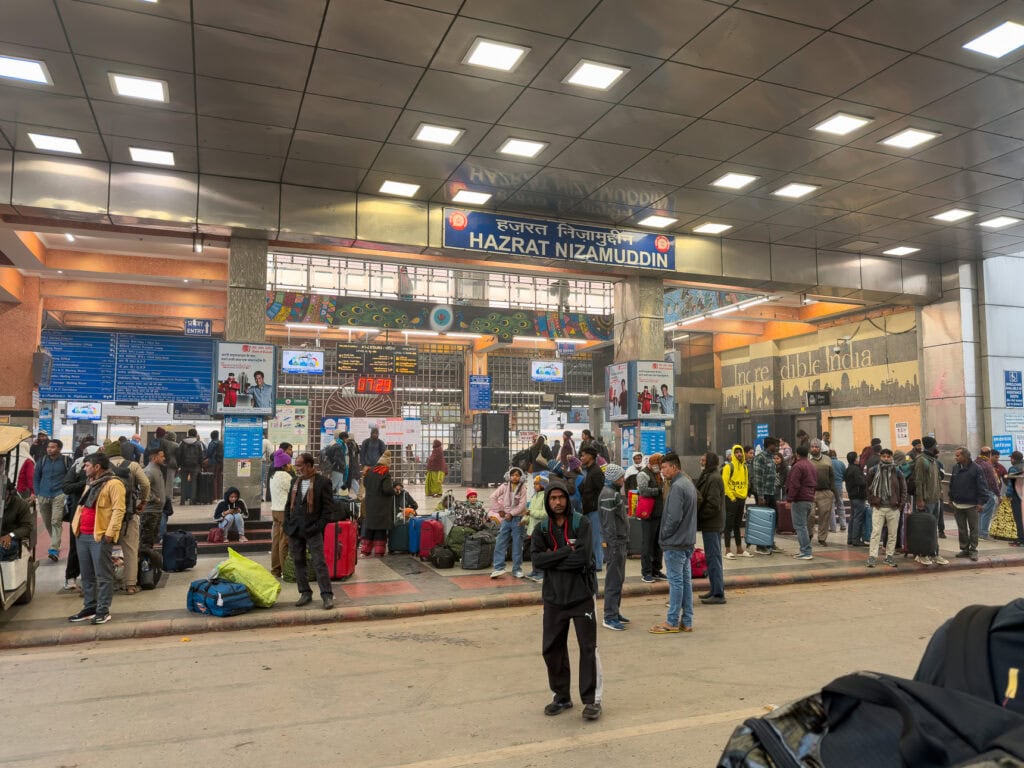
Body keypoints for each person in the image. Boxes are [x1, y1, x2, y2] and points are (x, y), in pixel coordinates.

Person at [530, 478, 601, 721]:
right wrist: (563, 552)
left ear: (567, 499)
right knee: (552, 649)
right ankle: (562, 696)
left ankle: (591, 701)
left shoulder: (582, 523)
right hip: (553, 599)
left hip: (581, 597)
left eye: (561, 498)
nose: (557, 502)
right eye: (553, 498)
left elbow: (583, 558)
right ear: (547, 501)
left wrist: (553, 558)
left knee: (587, 649)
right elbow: (537, 561)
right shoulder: (541, 529)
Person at [68, 452, 126, 625]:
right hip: (82, 534)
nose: (84, 468)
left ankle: (103, 610)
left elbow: (118, 509)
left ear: (97, 467)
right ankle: (90, 607)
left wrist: (110, 532)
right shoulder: (91, 483)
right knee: (87, 575)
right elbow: (83, 506)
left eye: (87, 465)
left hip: (99, 536)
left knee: (103, 575)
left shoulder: (114, 484)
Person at [650, 452, 697, 634]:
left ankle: (672, 621)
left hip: (675, 542)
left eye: (664, 467)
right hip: (686, 541)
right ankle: (687, 620)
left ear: (674, 467)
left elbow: (674, 517)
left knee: (676, 583)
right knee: (685, 582)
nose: (662, 471)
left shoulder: (677, 486)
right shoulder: (687, 483)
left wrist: (664, 535)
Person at [284, 452, 336, 609]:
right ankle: (305, 592)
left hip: (313, 529)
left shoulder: (323, 482)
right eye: (296, 464)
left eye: (299, 465)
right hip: (295, 528)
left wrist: (318, 527)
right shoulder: (295, 481)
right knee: (298, 561)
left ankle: (327, 595)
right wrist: (287, 524)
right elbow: (288, 505)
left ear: (309, 465)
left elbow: (328, 510)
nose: (297, 468)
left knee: (319, 562)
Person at [108, 442, 150, 595]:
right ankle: (130, 585)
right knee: (130, 548)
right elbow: (145, 484)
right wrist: (143, 502)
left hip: (105, 516)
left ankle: (103, 583)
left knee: (102, 549)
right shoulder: (132, 465)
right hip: (128, 512)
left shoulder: (101, 465)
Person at [597, 464, 629, 631]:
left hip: (619, 542)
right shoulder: (608, 495)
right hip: (614, 543)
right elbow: (609, 524)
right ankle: (609, 616)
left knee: (619, 579)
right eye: (620, 477)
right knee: (613, 580)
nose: (623, 480)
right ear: (612, 478)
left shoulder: (613, 493)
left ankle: (615, 612)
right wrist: (613, 544)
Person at [865, 448, 907, 568]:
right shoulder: (873, 471)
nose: (886, 458)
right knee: (875, 533)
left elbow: (904, 489)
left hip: (893, 508)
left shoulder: (897, 471)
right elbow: (868, 487)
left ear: (892, 457)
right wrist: (872, 501)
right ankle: (872, 557)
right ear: (880, 457)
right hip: (878, 507)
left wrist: (900, 505)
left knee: (892, 534)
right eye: (884, 456)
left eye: (888, 456)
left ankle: (889, 557)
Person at [33, 438, 71, 563]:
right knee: (47, 521)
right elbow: (36, 477)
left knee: (56, 521)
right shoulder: (42, 461)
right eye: (49, 447)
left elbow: (71, 477)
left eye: (53, 447)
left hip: (59, 494)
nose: (50, 449)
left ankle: (54, 548)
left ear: (59, 448)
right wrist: (37, 492)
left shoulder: (66, 461)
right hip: (43, 494)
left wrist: (66, 493)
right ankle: (55, 542)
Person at [695, 451, 726, 605]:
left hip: (712, 524)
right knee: (712, 558)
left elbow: (713, 504)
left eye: (703, 459)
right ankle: (714, 589)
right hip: (709, 524)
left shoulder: (714, 478)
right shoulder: (708, 475)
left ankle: (718, 593)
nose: (701, 461)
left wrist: (700, 516)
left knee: (714, 559)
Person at [913, 436, 949, 564]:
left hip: (935, 499)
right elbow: (919, 482)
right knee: (925, 528)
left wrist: (940, 492)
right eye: (936, 445)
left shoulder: (933, 460)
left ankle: (934, 553)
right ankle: (922, 554)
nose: (937, 447)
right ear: (931, 446)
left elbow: (937, 478)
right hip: (926, 500)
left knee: (933, 528)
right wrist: (920, 499)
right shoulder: (922, 461)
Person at [949, 447, 989, 562]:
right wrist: (951, 499)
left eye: (958, 455)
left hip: (972, 505)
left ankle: (973, 550)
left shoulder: (976, 469)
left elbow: (982, 486)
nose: (955, 457)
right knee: (961, 529)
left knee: (973, 529)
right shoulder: (955, 468)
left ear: (965, 456)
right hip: (958, 505)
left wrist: (981, 502)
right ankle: (964, 549)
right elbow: (952, 484)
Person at [489, 466, 529, 579]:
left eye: (517, 475)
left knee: (517, 544)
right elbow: (493, 497)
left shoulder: (523, 488)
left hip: (517, 519)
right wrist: (500, 510)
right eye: (513, 475)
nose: (515, 477)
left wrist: (512, 513)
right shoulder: (505, 486)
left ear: (521, 477)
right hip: (506, 519)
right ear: (509, 476)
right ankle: (498, 568)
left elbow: (522, 505)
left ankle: (517, 569)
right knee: (500, 542)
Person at [360, 450, 397, 557]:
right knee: (380, 528)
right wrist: (394, 491)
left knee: (370, 527)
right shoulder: (385, 473)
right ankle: (379, 551)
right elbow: (387, 489)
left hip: (370, 504)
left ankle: (365, 551)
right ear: (387, 464)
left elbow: (365, 484)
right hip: (381, 506)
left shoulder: (370, 471)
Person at [636, 453, 665, 582]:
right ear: (652, 463)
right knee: (647, 545)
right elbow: (643, 491)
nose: (659, 467)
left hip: (659, 514)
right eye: (658, 464)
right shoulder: (643, 474)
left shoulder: (659, 474)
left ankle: (656, 570)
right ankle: (646, 572)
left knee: (658, 545)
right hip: (648, 515)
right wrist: (658, 490)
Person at [786, 444, 817, 560]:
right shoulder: (811, 465)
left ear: (797, 454)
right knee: (803, 526)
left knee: (800, 526)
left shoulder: (798, 466)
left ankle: (806, 551)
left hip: (800, 499)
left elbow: (794, 484)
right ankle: (804, 550)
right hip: (810, 499)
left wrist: (789, 499)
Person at [578, 446, 605, 572]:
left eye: (583, 455)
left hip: (594, 510)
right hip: (588, 509)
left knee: (596, 538)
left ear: (590, 456)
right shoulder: (588, 470)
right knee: (591, 538)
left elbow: (601, 492)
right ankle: (594, 561)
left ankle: (598, 564)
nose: (581, 458)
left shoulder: (596, 472)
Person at [721, 444, 750, 559]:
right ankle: (727, 550)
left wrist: (744, 495)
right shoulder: (728, 467)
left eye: (740, 452)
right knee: (728, 525)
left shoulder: (744, 467)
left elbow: (746, 481)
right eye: (736, 452)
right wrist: (732, 497)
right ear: (733, 454)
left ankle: (739, 549)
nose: (739, 454)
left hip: (741, 499)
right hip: (731, 499)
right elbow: (725, 483)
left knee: (737, 525)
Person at [269, 451, 295, 577]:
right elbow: (293, 492)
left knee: (276, 541)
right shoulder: (286, 476)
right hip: (284, 511)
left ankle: (275, 570)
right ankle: (286, 571)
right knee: (284, 541)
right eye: (289, 463)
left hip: (275, 510)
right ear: (284, 464)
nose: (291, 465)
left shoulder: (273, 475)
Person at [808, 439, 835, 546]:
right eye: (812, 447)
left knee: (825, 516)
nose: (814, 448)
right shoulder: (807, 460)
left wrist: (832, 491)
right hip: (810, 492)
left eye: (816, 447)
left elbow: (832, 476)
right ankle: (809, 533)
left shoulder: (828, 459)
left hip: (825, 492)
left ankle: (822, 538)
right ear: (810, 448)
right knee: (810, 515)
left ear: (820, 448)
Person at [139, 447, 165, 555]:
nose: (164, 458)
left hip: (157, 511)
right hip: (150, 512)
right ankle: (145, 567)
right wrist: (155, 499)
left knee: (151, 541)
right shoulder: (148, 471)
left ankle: (149, 566)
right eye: (162, 456)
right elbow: (142, 488)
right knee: (146, 542)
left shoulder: (157, 470)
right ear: (154, 458)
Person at [0, 479, 33, 563]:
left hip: (11, 540)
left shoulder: (21, 504)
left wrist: (10, 535)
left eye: (3, 492)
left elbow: (27, 527)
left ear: (10, 492)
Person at [525, 474, 550, 583]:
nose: (534, 486)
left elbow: (545, 514)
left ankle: (541, 571)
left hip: (541, 529)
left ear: (543, 485)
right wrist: (525, 520)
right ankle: (535, 570)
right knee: (533, 551)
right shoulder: (534, 497)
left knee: (540, 551)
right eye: (534, 484)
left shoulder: (545, 497)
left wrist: (531, 513)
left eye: (537, 484)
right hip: (532, 529)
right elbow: (529, 511)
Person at [845, 451, 870, 547]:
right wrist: (865, 479)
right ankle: (856, 539)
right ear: (855, 459)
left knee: (853, 517)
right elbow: (862, 482)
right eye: (857, 458)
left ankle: (850, 538)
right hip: (858, 496)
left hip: (852, 495)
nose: (859, 459)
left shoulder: (848, 469)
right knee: (858, 518)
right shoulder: (856, 469)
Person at [977, 448, 1001, 540]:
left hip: (979, 492)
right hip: (988, 492)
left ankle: (979, 532)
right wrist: (998, 494)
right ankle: (983, 533)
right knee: (987, 513)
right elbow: (992, 481)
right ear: (989, 455)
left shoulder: (975, 463)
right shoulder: (987, 465)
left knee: (980, 511)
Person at [176, 428, 205, 505]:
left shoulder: (182, 443)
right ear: (195, 434)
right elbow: (201, 456)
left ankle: (182, 501)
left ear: (188, 434)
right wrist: (201, 465)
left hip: (184, 465)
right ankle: (192, 501)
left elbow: (178, 454)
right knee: (193, 483)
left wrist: (179, 464)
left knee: (183, 483)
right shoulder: (199, 443)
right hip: (195, 466)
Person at [829, 450, 847, 532]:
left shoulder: (828, 463)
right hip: (839, 486)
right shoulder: (841, 463)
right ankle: (843, 524)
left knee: (831, 506)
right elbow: (845, 475)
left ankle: (833, 527)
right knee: (840, 504)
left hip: (830, 486)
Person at [205, 430, 224, 501]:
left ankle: (214, 498)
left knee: (214, 480)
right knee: (219, 480)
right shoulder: (222, 443)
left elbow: (208, 454)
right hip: (221, 463)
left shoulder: (212, 443)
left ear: (211, 436)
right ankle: (220, 497)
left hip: (213, 463)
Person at [342, 431, 361, 496]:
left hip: (351, 467)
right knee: (353, 481)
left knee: (352, 481)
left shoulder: (349, 444)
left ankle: (358, 495)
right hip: (355, 466)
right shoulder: (355, 444)